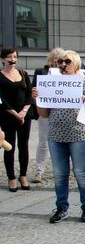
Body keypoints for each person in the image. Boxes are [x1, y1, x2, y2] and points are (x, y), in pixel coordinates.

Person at [34, 50, 85, 223]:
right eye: (60, 62)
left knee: (81, 172)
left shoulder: (83, 82)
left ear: (75, 63)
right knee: (60, 174)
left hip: (79, 134)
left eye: (67, 62)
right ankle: (62, 208)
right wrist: (38, 99)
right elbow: (44, 114)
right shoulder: (51, 82)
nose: (63, 65)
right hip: (56, 135)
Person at [0, 47, 34, 192]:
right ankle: (11, 177)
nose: (12, 60)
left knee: (24, 145)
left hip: (24, 115)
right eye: (9, 57)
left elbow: (29, 94)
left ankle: (23, 175)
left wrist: (24, 111)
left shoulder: (23, 73)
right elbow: (0, 99)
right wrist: (15, 113)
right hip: (7, 115)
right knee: (10, 146)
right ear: (3, 59)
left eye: (14, 57)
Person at [32, 47, 64, 183]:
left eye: (61, 59)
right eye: (56, 59)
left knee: (62, 141)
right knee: (43, 141)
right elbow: (34, 90)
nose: (58, 62)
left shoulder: (67, 73)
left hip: (61, 112)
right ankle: (39, 171)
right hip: (45, 110)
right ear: (51, 59)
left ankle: (61, 170)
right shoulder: (41, 72)